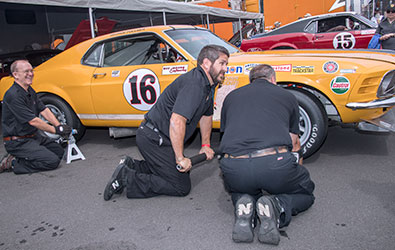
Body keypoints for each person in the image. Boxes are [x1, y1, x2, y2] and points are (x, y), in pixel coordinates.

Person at [103, 45, 229, 201]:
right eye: (222, 63)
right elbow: (177, 120)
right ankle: (127, 178)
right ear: (206, 63)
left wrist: (205, 145)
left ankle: (133, 165)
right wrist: (179, 158)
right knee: (180, 186)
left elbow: (206, 115)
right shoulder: (194, 84)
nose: (225, 69)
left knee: (180, 171)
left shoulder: (208, 84)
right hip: (154, 138)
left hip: (163, 138)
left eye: (226, 65)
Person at [219, 64, 315, 245]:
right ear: (273, 80)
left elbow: (226, 135)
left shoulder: (231, 97)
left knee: (241, 189)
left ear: (251, 81)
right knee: (306, 195)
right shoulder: (287, 96)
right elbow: (294, 142)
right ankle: (277, 206)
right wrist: (292, 174)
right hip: (273, 164)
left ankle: (245, 204)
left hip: (234, 167)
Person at [0, 60, 72, 174]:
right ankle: (13, 163)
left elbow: (44, 110)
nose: (30, 74)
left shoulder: (29, 90)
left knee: (58, 152)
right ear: (15, 75)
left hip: (33, 137)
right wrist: (55, 130)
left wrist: (59, 125)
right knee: (52, 161)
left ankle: (24, 156)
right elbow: (33, 121)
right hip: (18, 141)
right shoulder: (13, 95)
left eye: (31, 70)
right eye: (26, 71)